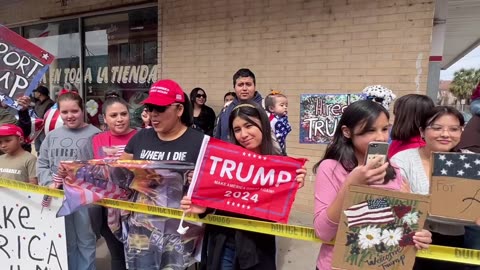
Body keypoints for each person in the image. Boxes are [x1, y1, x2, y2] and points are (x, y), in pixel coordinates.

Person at [181, 102, 306, 270]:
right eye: (237, 129)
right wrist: (203, 208)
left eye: (249, 125)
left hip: (258, 248)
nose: (243, 134)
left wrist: (290, 187)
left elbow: (273, 213)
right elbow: (217, 198)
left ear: (263, 124)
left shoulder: (280, 165)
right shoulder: (224, 161)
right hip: (224, 242)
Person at [313, 100, 432, 270]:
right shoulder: (331, 168)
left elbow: (403, 223)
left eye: (384, 129)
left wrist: (419, 235)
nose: (381, 137)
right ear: (347, 132)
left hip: (385, 263)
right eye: (370, 130)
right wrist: (350, 185)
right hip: (338, 265)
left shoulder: (395, 170)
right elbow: (323, 232)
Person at [119, 79, 205, 270]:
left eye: (160, 108)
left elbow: (211, 185)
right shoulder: (141, 137)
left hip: (179, 231)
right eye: (150, 108)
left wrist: (197, 182)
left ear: (179, 110)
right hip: (141, 229)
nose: (153, 114)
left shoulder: (199, 142)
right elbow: (120, 170)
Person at [390, 106, 465, 270]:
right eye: (437, 128)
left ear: (461, 131)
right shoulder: (402, 160)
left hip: (454, 240)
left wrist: (415, 199)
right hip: (412, 238)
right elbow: (395, 203)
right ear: (422, 131)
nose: (445, 134)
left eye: (454, 129)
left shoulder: (470, 164)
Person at [37, 92, 100, 270]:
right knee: (66, 239)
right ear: (59, 113)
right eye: (65, 112)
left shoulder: (95, 134)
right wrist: (50, 183)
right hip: (58, 196)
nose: (70, 116)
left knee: (86, 239)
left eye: (74, 111)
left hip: (83, 197)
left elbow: (101, 167)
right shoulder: (51, 136)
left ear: (83, 110)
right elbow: (42, 163)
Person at [78, 97, 137, 270]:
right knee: (118, 256)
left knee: (139, 255)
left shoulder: (142, 136)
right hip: (107, 210)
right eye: (114, 115)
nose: (119, 119)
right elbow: (84, 172)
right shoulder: (94, 141)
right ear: (105, 118)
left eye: (123, 114)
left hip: (137, 208)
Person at [215, 68, 263, 141]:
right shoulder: (226, 109)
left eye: (248, 84)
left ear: (254, 86)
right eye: (240, 85)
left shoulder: (266, 107)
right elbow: (218, 137)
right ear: (234, 87)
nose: (244, 88)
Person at [264, 91, 291, 155]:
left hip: (281, 147)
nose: (285, 107)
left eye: (286, 105)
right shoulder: (270, 120)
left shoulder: (282, 118)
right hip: (272, 150)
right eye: (282, 105)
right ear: (271, 108)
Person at [32, 85, 55, 152]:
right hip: (37, 130)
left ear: (39, 93)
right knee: (38, 148)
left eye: (36, 92)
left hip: (44, 130)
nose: (34, 94)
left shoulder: (50, 104)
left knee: (45, 148)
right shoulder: (38, 102)